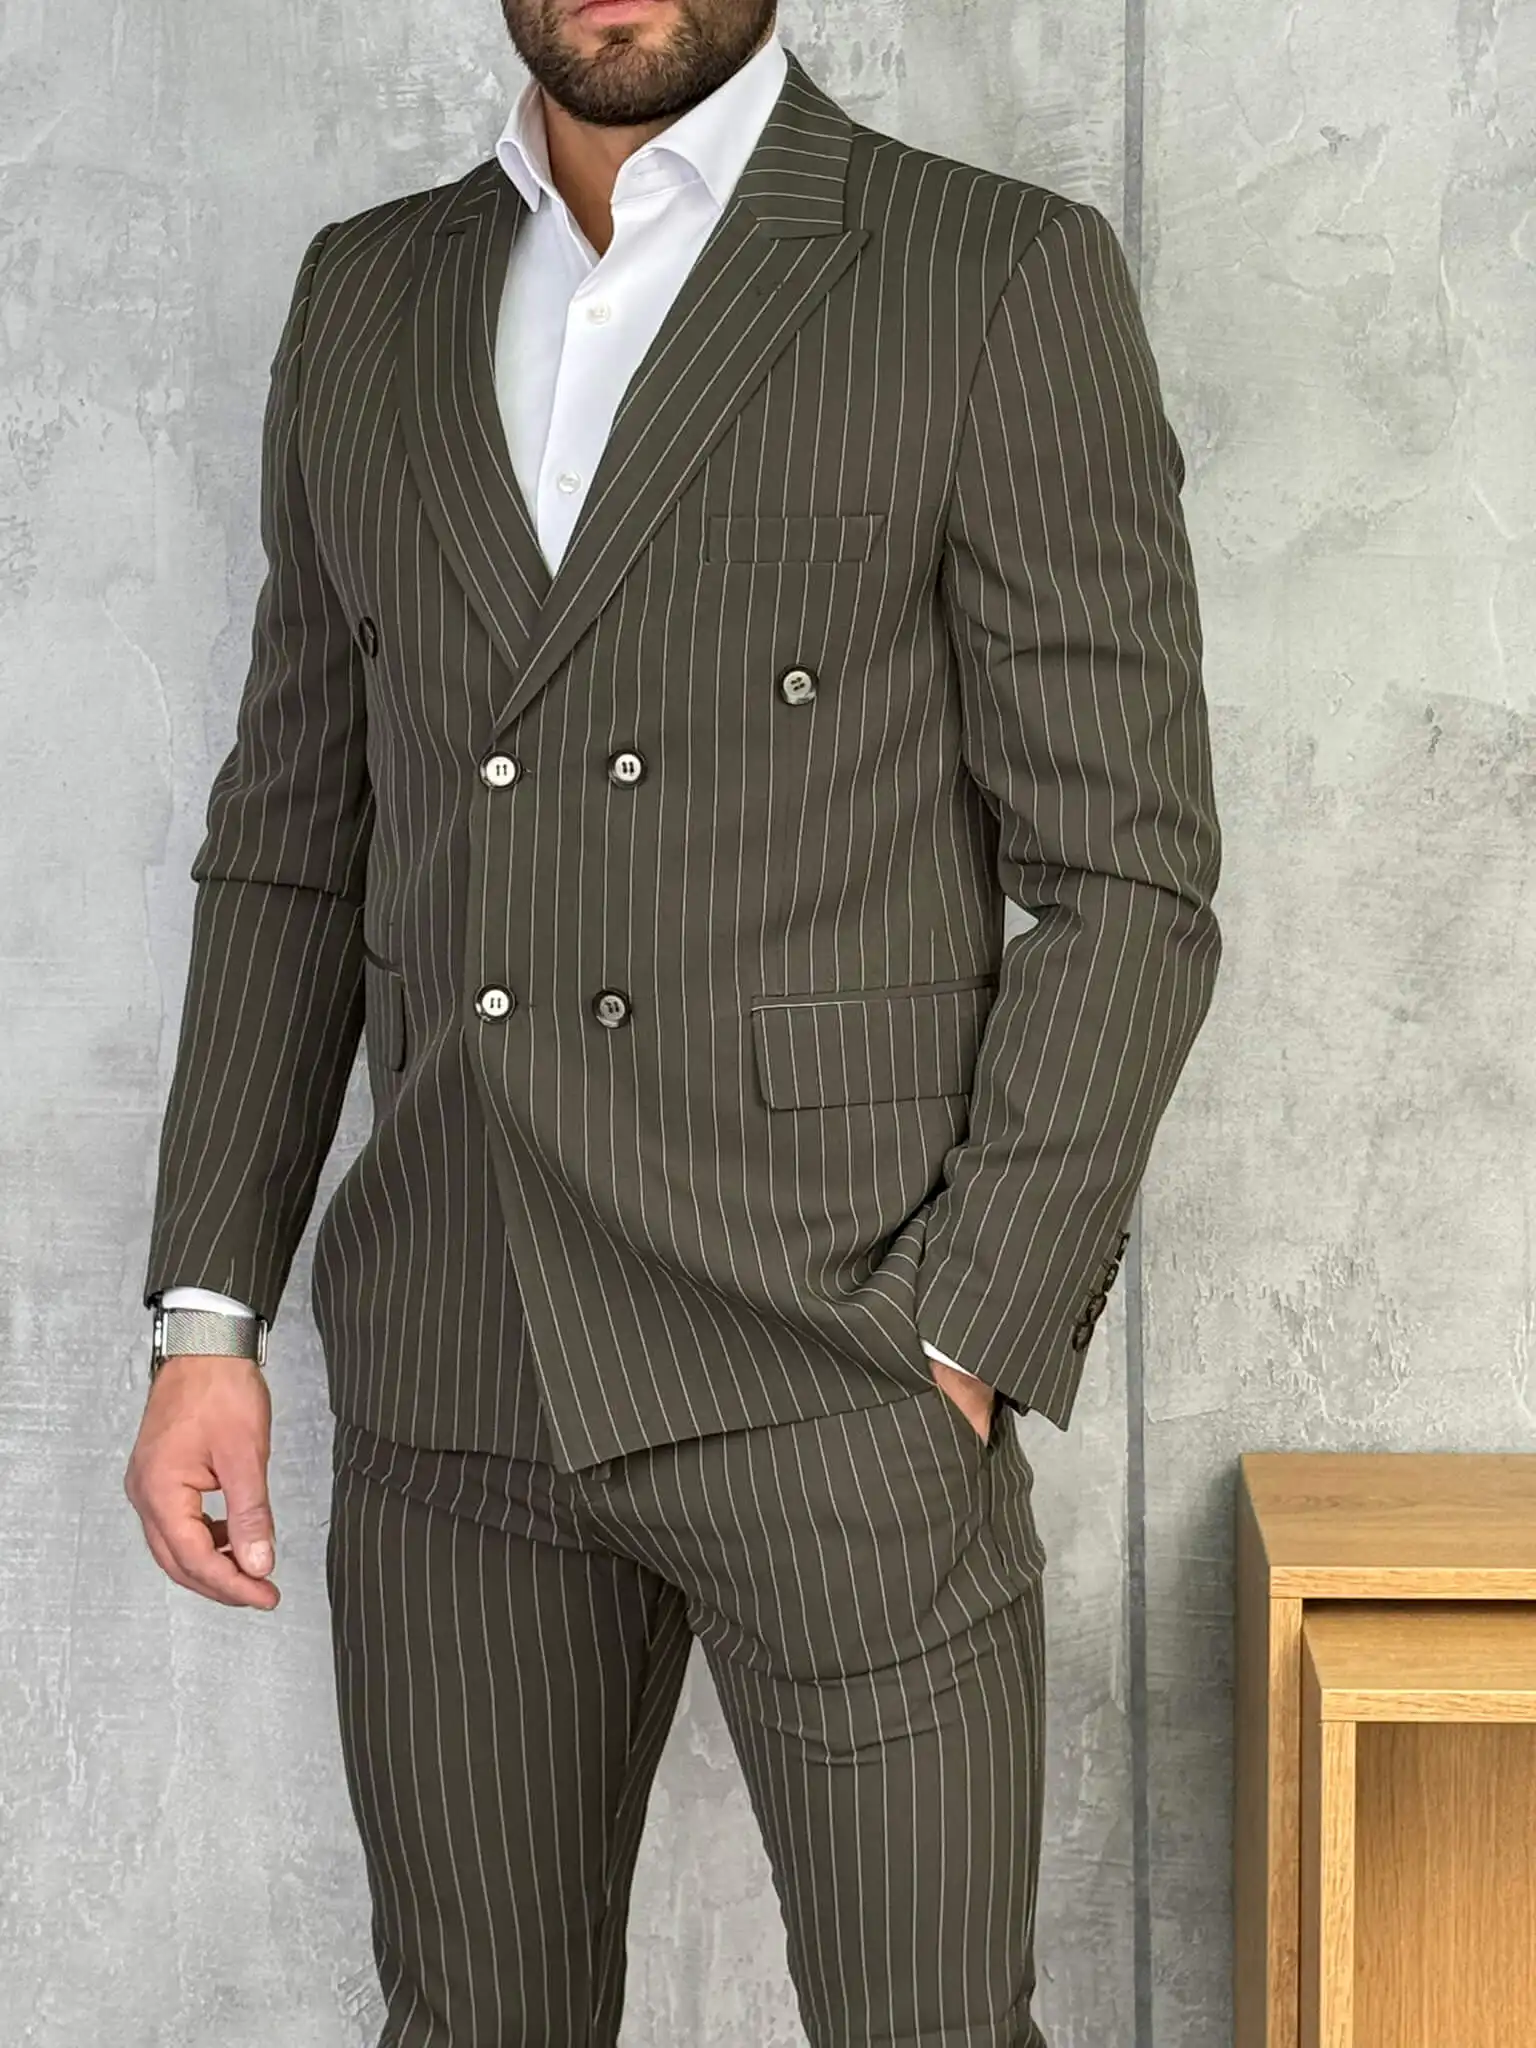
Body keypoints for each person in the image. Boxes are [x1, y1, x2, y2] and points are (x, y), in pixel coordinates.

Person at [126, 4, 1222, 2042]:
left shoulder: (990, 274)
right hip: (459, 1355)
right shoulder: (367, 295)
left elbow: (1126, 873)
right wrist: (210, 1317)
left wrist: (968, 1330)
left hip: (836, 1357)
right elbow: (290, 841)